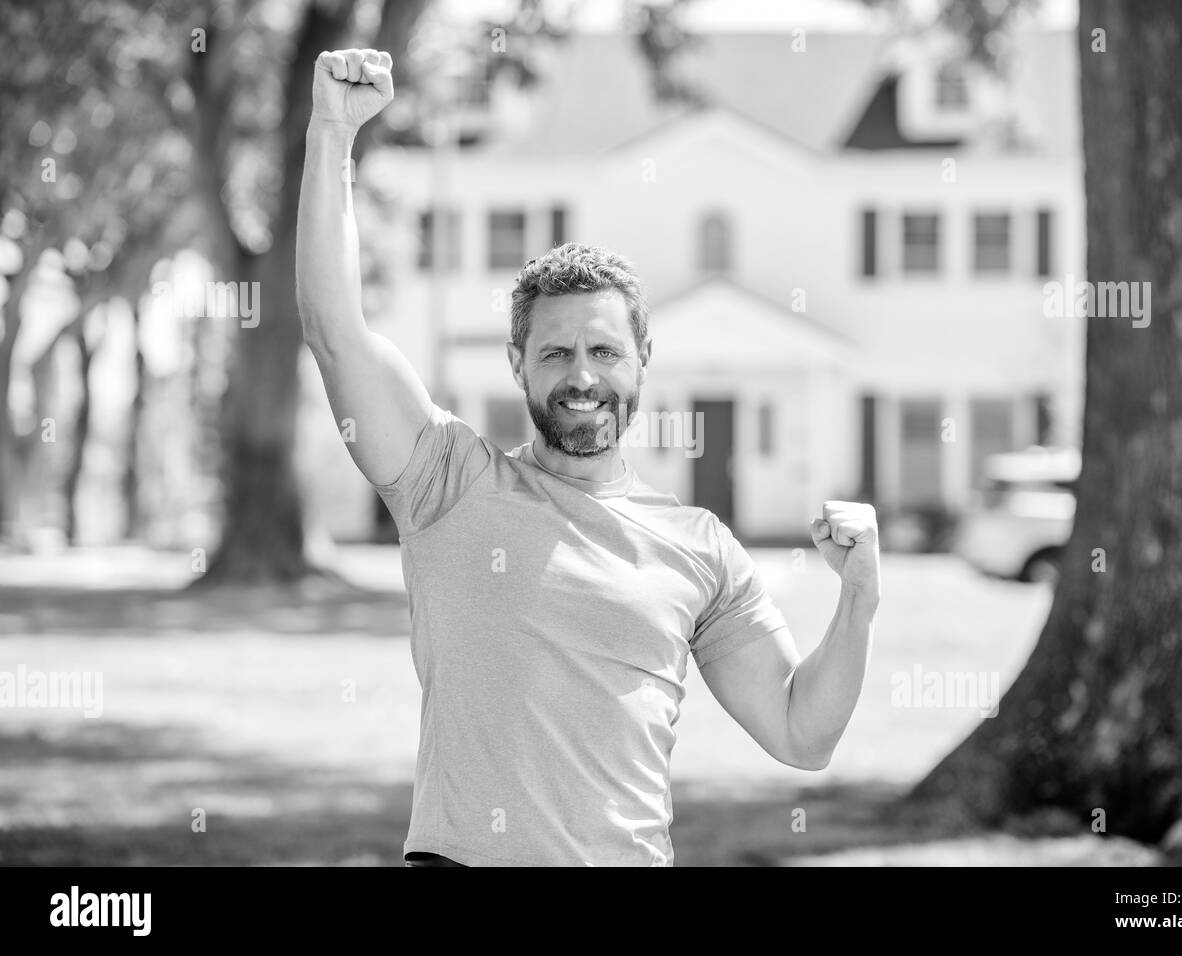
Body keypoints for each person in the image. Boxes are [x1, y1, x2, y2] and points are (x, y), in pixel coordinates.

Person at [297, 49, 882, 867]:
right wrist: (333, 133)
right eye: (556, 353)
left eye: (605, 352)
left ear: (644, 359)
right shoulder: (447, 484)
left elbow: (801, 730)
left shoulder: (699, 547)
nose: (581, 377)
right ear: (517, 364)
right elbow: (334, 328)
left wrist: (857, 599)